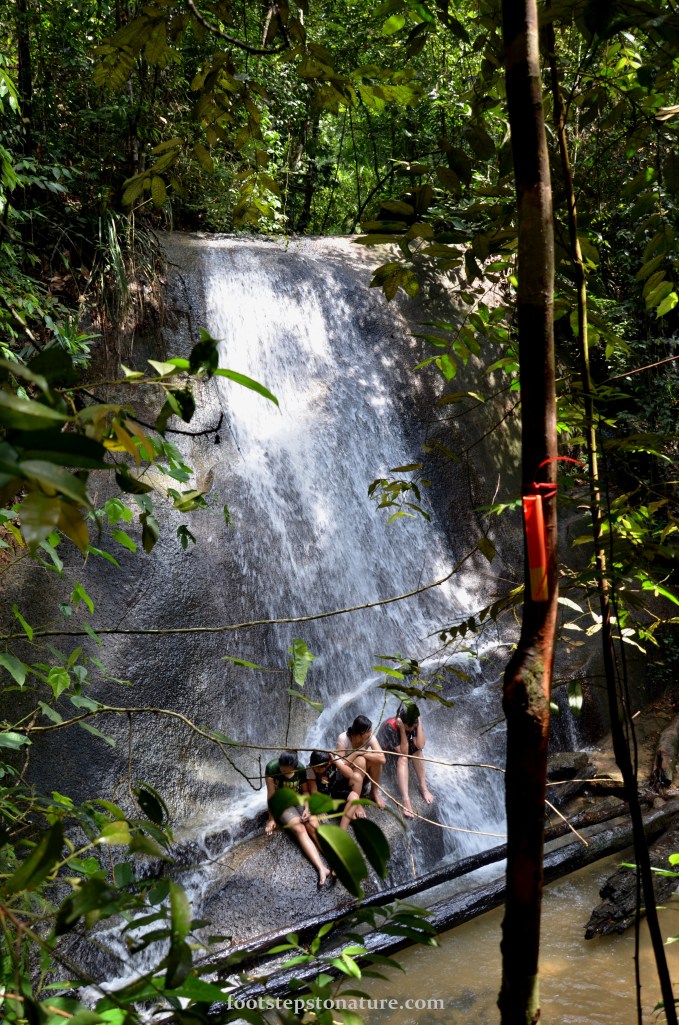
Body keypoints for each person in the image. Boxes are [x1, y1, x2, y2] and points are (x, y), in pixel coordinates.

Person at [264, 751, 331, 888]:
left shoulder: (301, 768)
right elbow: (271, 795)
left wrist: (307, 808)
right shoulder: (272, 768)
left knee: (313, 825)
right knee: (299, 828)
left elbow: (306, 791)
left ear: (294, 767)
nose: (283, 772)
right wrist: (271, 819)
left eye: (287, 770)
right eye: (282, 769)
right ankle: (321, 868)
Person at [377, 700, 433, 818]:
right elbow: (404, 752)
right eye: (412, 726)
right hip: (385, 761)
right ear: (404, 723)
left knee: (417, 751)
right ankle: (406, 800)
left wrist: (419, 722)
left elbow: (420, 745)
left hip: (400, 750)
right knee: (403, 757)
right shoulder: (390, 727)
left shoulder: (413, 723)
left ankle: (423, 786)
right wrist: (402, 730)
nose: (413, 728)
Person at [306, 749, 367, 830]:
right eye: (313, 767)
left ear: (327, 765)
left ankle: (342, 829)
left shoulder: (334, 759)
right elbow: (314, 790)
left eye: (318, 768)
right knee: (354, 817)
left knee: (355, 794)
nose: (315, 770)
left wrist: (335, 762)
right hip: (324, 798)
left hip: (335, 791)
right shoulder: (310, 768)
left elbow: (350, 774)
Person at [336, 715, 386, 809]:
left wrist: (364, 753)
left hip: (363, 775)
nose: (371, 733)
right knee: (360, 760)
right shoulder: (343, 739)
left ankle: (374, 792)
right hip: (348, 777)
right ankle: (357, 800)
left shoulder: (369, 737)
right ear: (360, 734)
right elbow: (341, 764)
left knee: (376, 761)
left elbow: (382, 759)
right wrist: (356, 753)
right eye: (368, 731)